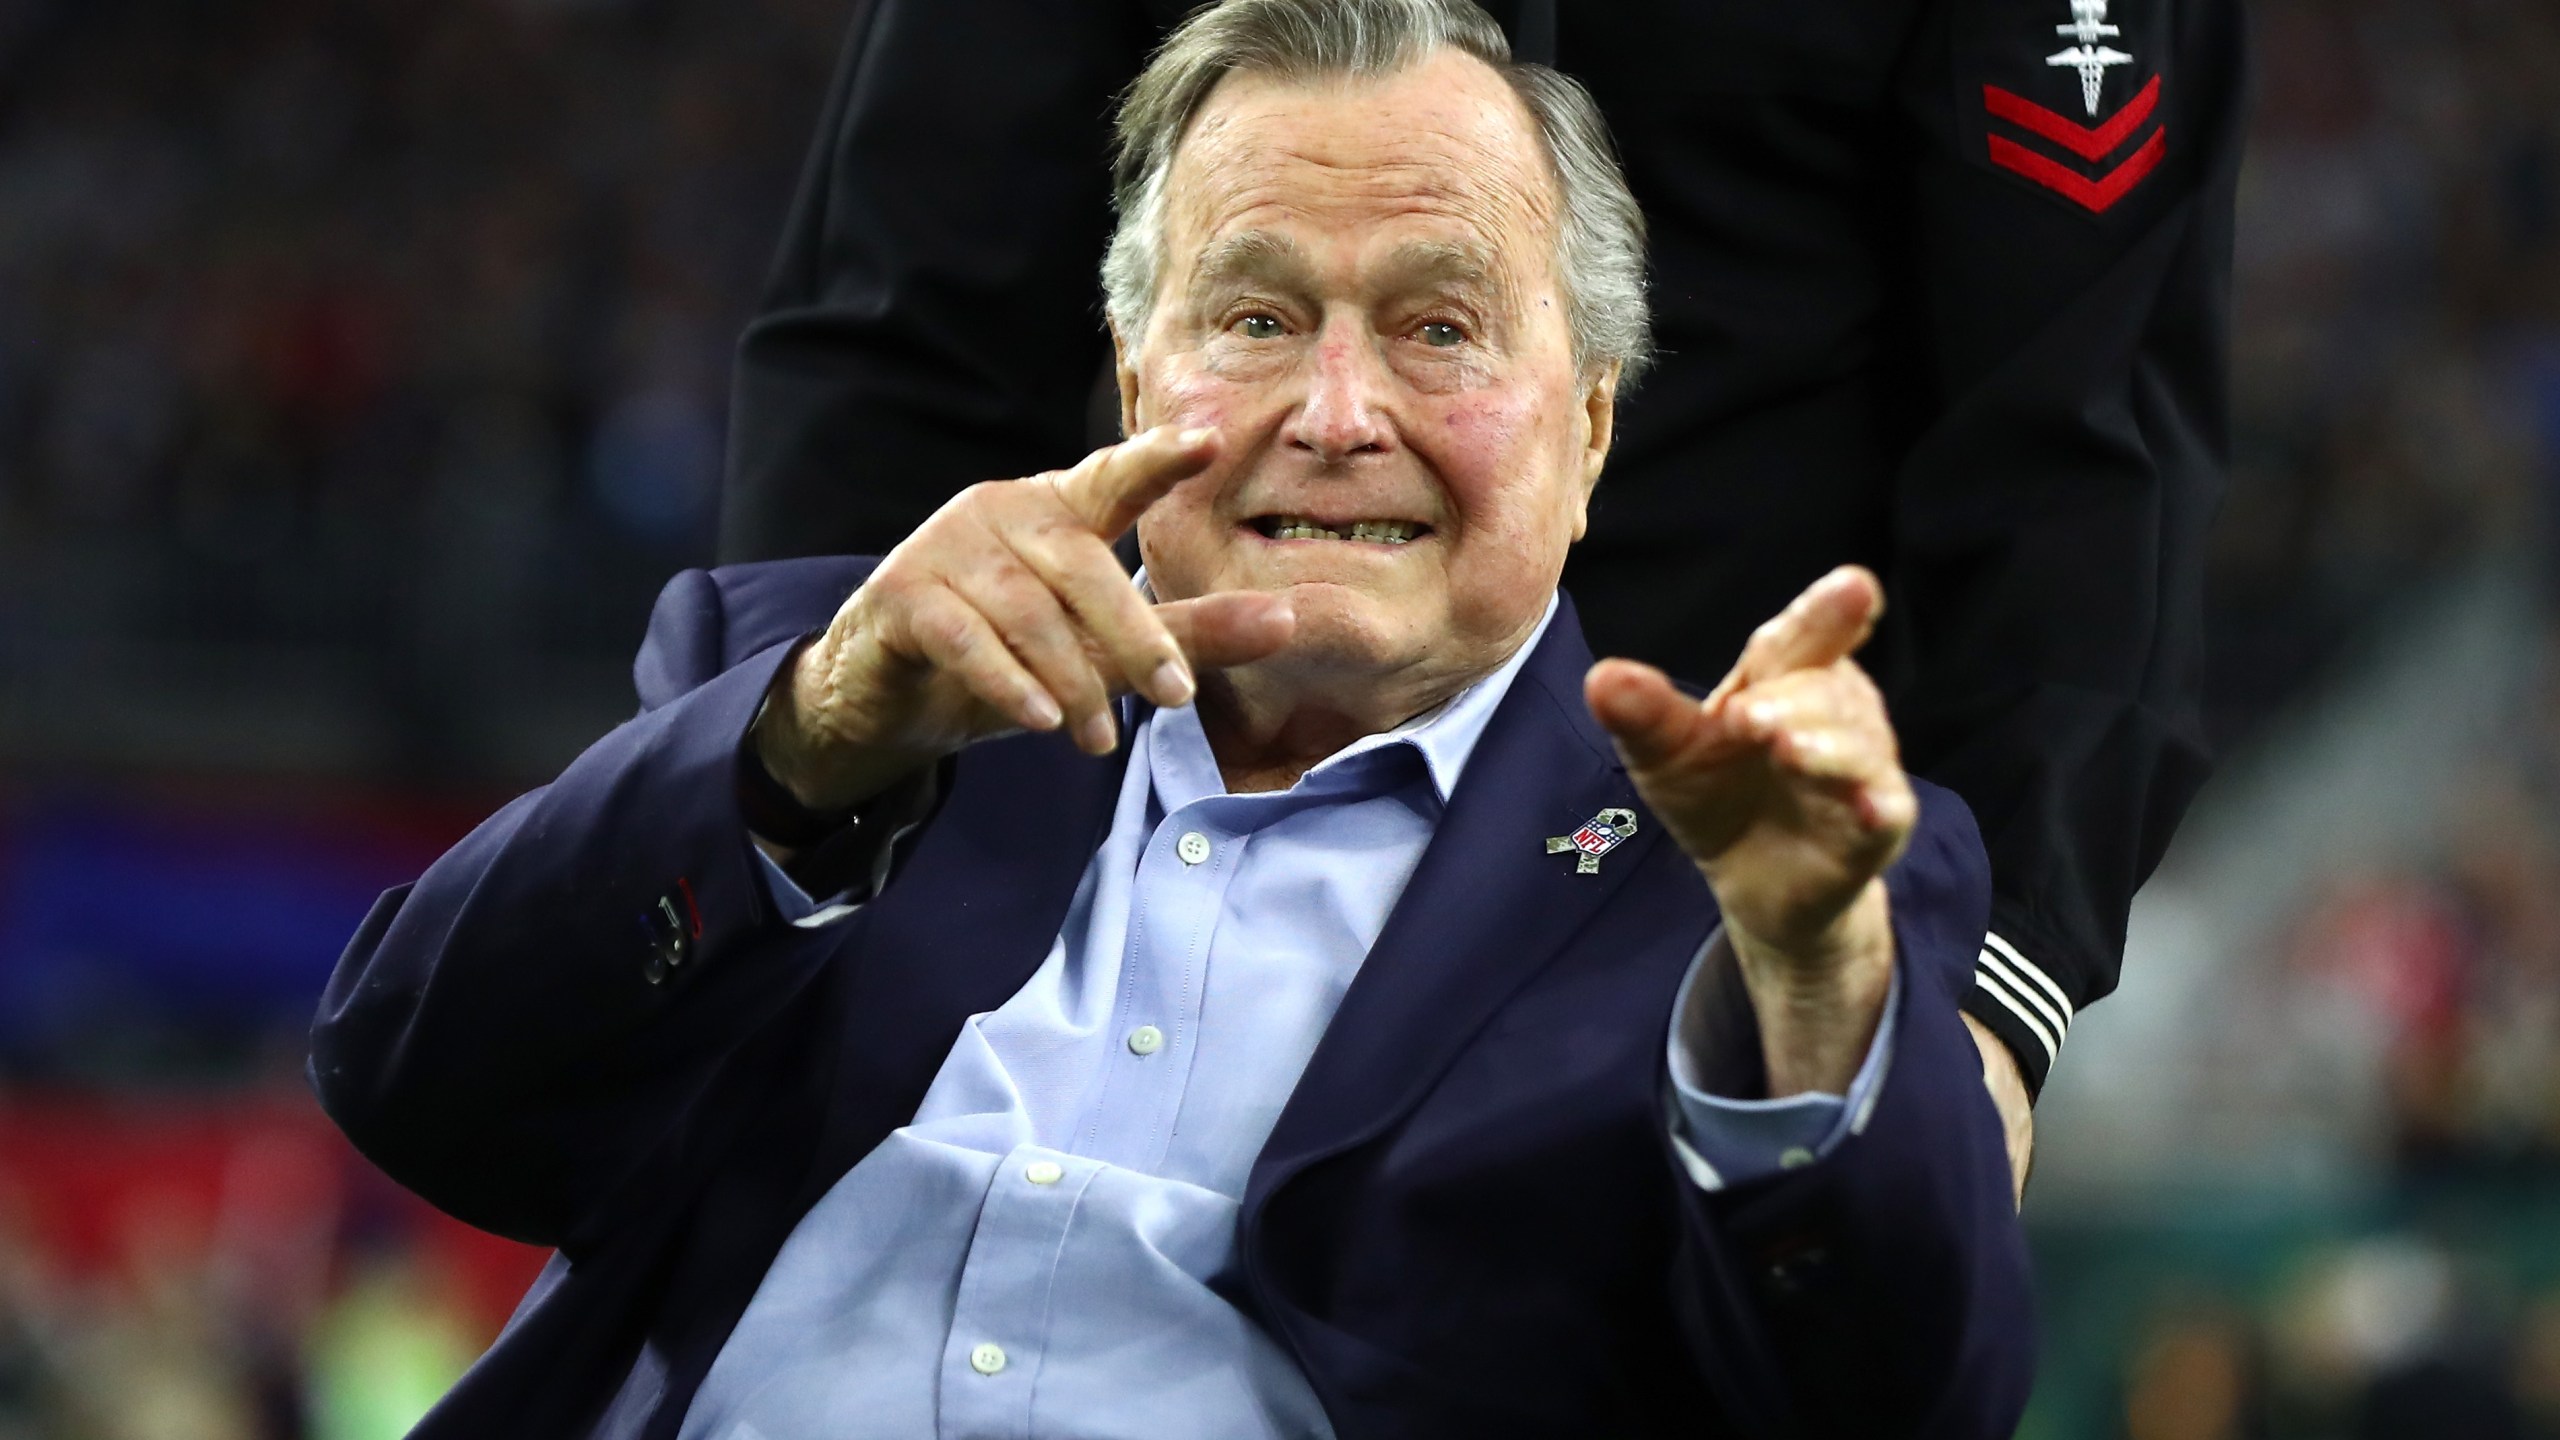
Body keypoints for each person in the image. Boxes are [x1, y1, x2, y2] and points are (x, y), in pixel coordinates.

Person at [314, 3, 2032, 1433]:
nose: (1336, 412)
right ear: (1140, 383)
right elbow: (423, 1090)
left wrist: (1811, 982)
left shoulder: (1753, 882)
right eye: (1258, 318)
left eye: (1438, 328)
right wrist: (811, 743)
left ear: (1589, 431)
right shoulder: (839, 692)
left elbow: (1894, 1403)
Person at [718, 0, 2248, 1153]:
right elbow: (896, 337)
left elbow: (2079, 434)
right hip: (1131, 852)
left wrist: (1983, 992)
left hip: (1684, 930)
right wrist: (793, 809)